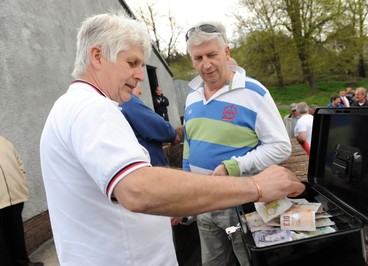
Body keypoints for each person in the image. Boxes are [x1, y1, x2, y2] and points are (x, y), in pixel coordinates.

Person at [39, 12, 305, 266]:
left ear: (226, 53)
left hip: (224, 206)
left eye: (141, 64)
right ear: (97, 56)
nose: (141, 75)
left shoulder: (78, 105)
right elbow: (138, 189)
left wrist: (184, 197)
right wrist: (256, 186)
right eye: (132, 63)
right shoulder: (93, 108)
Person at [183, 21, 292, 266]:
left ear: (227, 53)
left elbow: (280, 146)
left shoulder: (254, 92)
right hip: (203, 200)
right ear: (191, 60)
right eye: (198, 57)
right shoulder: (191, 97)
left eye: (212, 55)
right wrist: (186, 190)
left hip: (242, 201)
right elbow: (189, 146)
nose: (206, 64)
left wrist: (233, 166)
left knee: (250, 261)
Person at [0, 135, 43, 266]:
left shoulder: (3, 140)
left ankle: (23, 262)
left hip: (15, 197)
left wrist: (22, 181)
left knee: (16, 234)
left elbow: (18, 160)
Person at [120, 84, 180, 166]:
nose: (139, 99)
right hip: (150, 162)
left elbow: (166, 103)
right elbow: (155, 124)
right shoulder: (128, 100)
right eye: (139, 94)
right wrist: (172, 134)